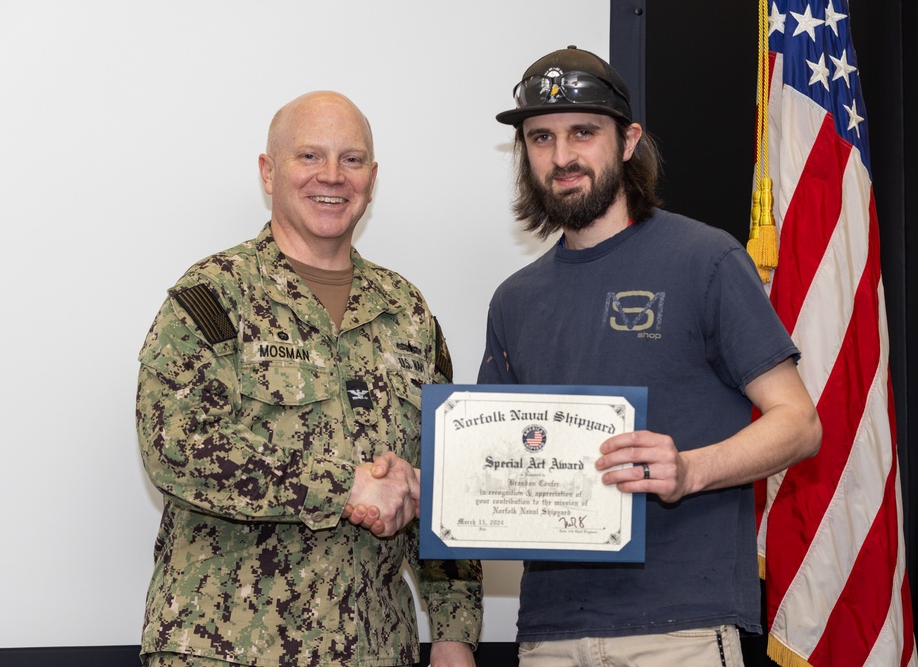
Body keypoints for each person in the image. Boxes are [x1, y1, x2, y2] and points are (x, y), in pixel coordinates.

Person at [480, 46, 822, 665]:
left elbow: (799, 424)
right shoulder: (514, 301)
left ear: (628, 140)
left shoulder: (704, 259)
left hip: (679, 628)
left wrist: (689, 470)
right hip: (547, 634)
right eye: (541, 138)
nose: (562, 157)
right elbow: (491, 465)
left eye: (583, 132)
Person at [136, 91, 482, 667]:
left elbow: (442, 477)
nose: (332, 176)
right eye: (309, 157)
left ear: (372, 177)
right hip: (227, 648)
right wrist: (343, 486)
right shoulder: (215, 296)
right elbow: (174, 448)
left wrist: (453, 634)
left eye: (351, 160)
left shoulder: (408, 312)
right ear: (269, 172)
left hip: (375, 648)